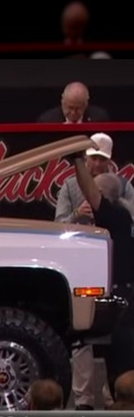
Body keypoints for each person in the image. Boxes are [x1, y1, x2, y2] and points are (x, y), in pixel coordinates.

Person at [56, 132, 134, 409]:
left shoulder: (115, 215)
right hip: (109, 290)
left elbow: (90, 191)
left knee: (121, 357)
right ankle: (97, 402)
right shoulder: (124, 218)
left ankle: (121, 402)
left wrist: (77, 160)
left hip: (119, 298)